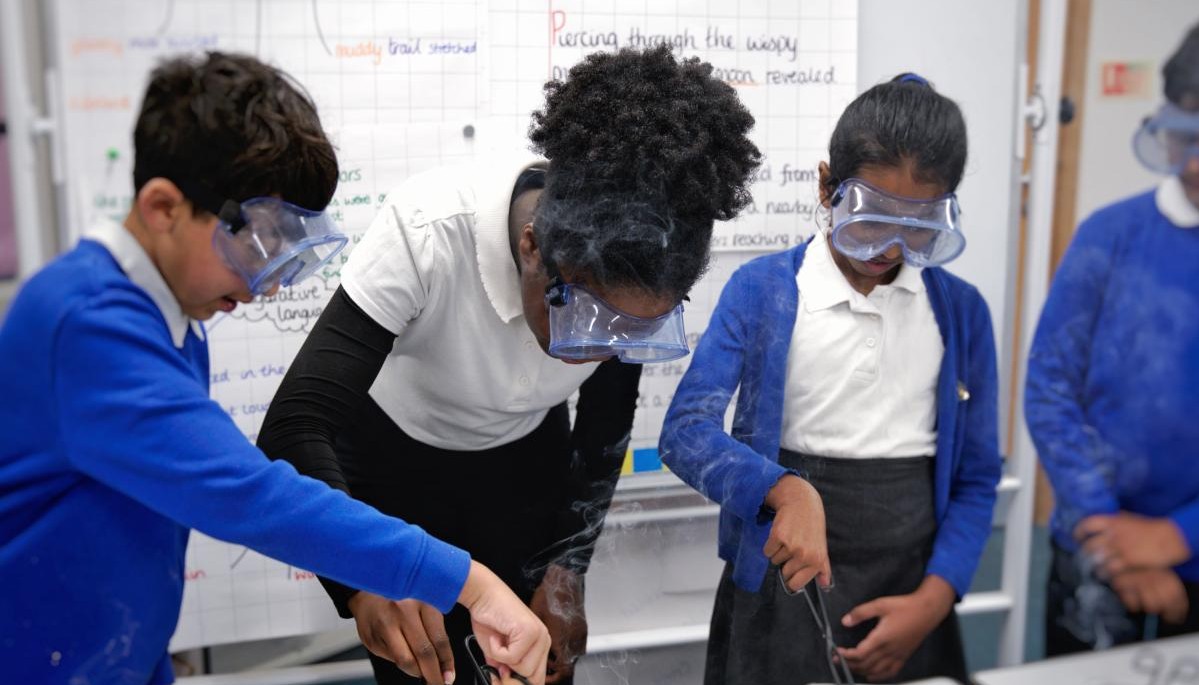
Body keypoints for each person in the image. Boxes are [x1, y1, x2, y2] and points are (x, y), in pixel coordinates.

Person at [0, 52, 549, 685]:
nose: (266, 287)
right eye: (255, 246)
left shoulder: (170, 319)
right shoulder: (87, 327)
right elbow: (248, 496)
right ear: (162, 208)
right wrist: (471, 584)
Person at [256, 45, 761, 685]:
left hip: (523, 462)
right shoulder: (430, 229)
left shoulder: (632, 262)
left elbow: (603, 428)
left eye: (633, 330)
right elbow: (297, 424)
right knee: (426, 667)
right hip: (394, 462)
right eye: (585, 318)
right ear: (532, 248)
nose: (600, 349)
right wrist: (362, 576)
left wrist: (566, 567)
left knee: (531, 665)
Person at [660, 74, 1003, 684]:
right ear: (826, 186)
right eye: (872, 216)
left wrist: (934, 600)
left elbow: (977, 477)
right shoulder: (763, 291)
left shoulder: (961, 312)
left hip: (910, 597)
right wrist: (786, 491)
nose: (890, 246)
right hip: (779, 581)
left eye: (920, 223)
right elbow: (685, 432)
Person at [1027, 23, 1199, 654]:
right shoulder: (1109, 236)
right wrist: (1109, 531)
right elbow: (1049, 388)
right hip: (1095, 543)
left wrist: (1178, 538)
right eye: (1187, 137)